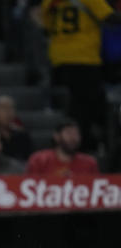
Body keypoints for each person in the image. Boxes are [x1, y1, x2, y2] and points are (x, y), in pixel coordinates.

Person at [41, 0, 121, 152]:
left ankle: (72, 144)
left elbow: (45, 26)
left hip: (59, 59)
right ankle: (81, 147)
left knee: (77, 105)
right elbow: (109, 18)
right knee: (87, 108)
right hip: (84, 58)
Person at [26, 119, 99, 176]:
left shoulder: (89, 163)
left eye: (76, 134)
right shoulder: (39, 160)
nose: (73, 138)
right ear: (56, 136)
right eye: (68, 133)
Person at [0, 95, 32, 162]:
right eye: (3, 108)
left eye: (11, 108)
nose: (8, 112)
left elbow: (29, 158)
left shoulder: (22, 134)